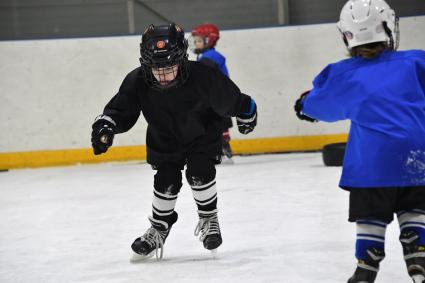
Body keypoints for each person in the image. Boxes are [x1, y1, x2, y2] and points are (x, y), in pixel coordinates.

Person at [91, 23, 257, 261]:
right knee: (165, 180)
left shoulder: (203, 75)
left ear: (182, 58)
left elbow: (229, 98)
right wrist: (106, 125)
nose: (164, 76)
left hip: (202, 134)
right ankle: (159, 228)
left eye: (170, 67)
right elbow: (121, 108)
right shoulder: (137, 80)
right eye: (156, 69)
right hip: (164, 137)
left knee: (200, 171)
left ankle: (209, 219)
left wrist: (247, 111)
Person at [294, 0, 425, 282]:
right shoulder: (416, 62)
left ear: (347, 36)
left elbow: (321, 105)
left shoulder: (343, 74)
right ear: (388, 27)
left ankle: (367, 264)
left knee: (371, 214)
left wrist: (305, 104)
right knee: (415, 207)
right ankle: (418, 254)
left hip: (372, 165)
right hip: (418, 156)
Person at [190, 23, 234, 162]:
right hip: (217, 98)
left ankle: (222, 152)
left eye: (199, 41)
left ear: (209, 40)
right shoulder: (205, 56)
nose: (196, 44)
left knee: (214, 124)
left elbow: (201, 78)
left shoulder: (210, 57)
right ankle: (220, 150)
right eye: (195, 41)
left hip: (218, 98)